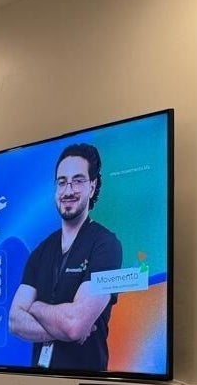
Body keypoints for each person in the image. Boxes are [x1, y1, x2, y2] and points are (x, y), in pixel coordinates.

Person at [9, 143, 122, 371]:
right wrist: (65, 327)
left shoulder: (106, 246)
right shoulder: (40, 252)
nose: (68, 190)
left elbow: (75, 325)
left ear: (93, 186)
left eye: (78, 180)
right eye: (62, 182)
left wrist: (36, 307)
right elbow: (14, 321)